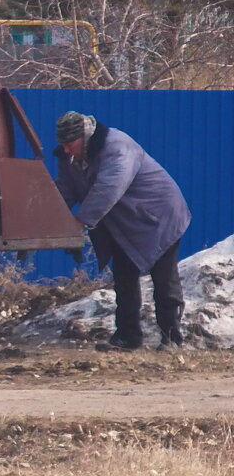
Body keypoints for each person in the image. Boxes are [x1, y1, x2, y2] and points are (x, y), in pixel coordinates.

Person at [53, 111, 191, 350]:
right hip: (124, 223)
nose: (65, 150)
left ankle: (172, 339)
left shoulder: (117, 146)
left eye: (69, 144)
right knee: (124, 279)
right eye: (62, 145)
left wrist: (81, 221)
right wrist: (51, 222)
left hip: (157, 218)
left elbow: (109, 188)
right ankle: (128, 338)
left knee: (164, 278)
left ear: (84, 137)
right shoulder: (71, 159)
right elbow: (64, 192)